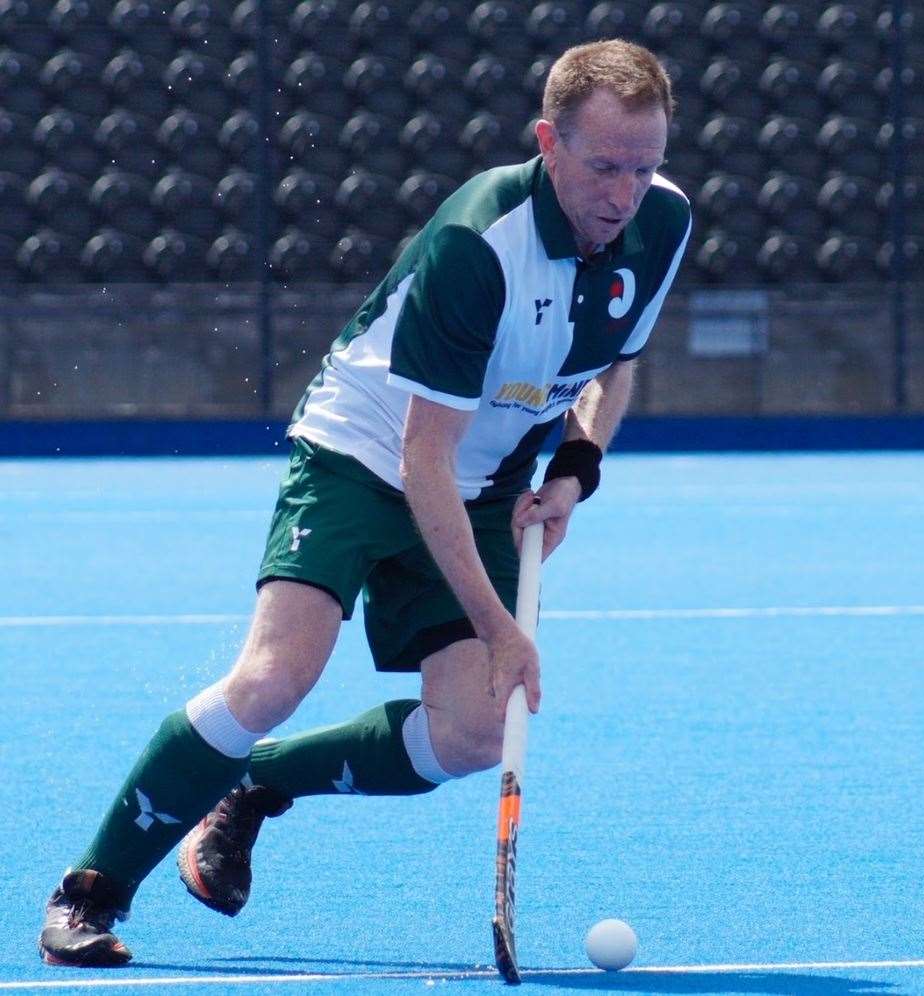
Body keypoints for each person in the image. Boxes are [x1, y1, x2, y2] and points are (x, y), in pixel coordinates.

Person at [39, 38, 691, 966]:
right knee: (275, 676)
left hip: (487, 477)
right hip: (362, 451)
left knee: (469, 732)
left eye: (644, 167)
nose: (623, 195)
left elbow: (615, 363)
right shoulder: (482, 246)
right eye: (602, 168)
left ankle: (254, 785)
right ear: (547, 143)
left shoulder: (662, 221)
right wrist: (499, 625)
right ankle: (89, 892)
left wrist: (578, 468)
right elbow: (423, 461)